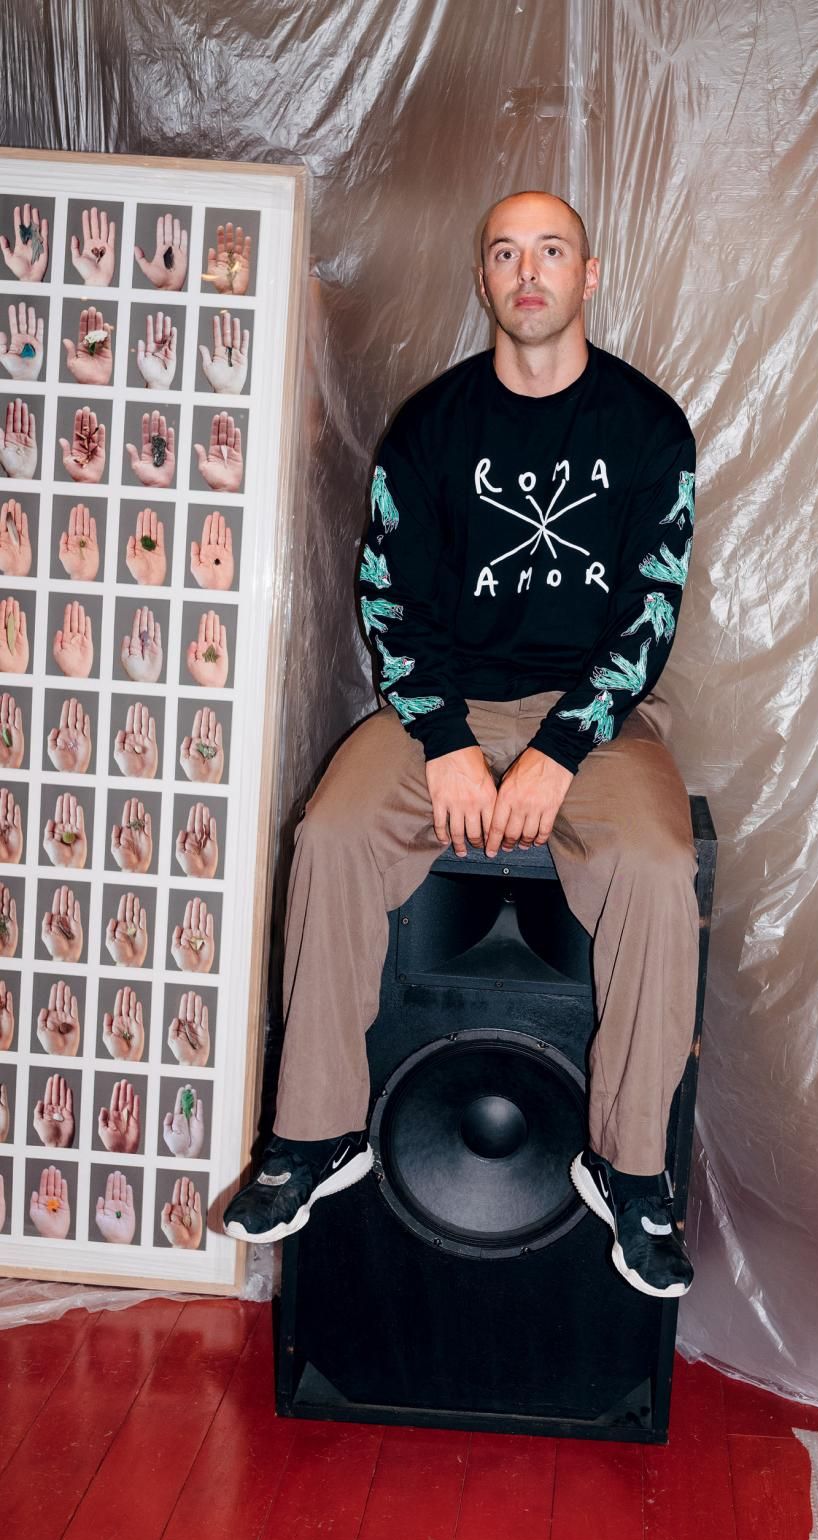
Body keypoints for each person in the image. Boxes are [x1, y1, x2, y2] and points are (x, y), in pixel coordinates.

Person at [222, 191, 699, 1297]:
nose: (527, 273)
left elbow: (650, 611)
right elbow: (388, 603)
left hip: (595, 716)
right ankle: (315, 1134)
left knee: (659, 866)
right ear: (482, 281)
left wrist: (562, 747)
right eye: (503, 253)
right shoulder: (431, 429)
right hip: (444, 706)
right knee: (334, 829)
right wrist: (437, 735)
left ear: (589, 276)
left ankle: (629, 1170)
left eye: (551, 252)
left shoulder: (647, 428)